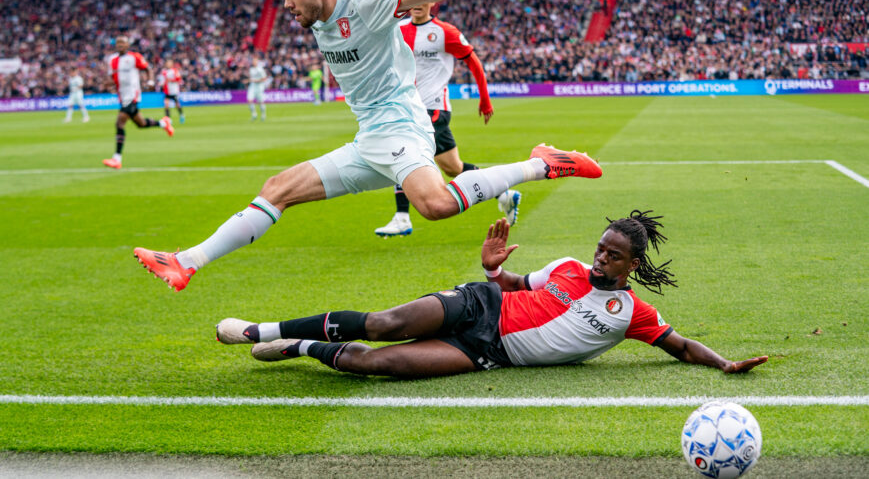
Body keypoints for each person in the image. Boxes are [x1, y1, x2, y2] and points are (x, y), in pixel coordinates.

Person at [133, 0, 602, 292]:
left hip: (401, 124)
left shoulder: (366, 2)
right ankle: (186, 262)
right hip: (369, 137)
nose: (287, 4)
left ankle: (544, 162)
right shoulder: (312, 0)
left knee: (435, 205)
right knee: (277, 189)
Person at [215, 212, 768, 378]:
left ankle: (301, 350)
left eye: (613, 255)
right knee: (382, 323)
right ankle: (261, 331)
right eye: (600, 248)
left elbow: (680, 345)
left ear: (633, 265)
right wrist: (492, 269)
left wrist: (724, 363)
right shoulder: (567, 267)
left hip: (487, 352)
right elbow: (510, 284)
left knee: (372, 364)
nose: (600, 258)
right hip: (482, 304)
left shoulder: (631, 313)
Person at [374, 0, 519, 238]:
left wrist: (485, 100)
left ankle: (402, 216)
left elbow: (473, 62)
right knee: (453, 167)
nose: (418, 4)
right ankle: (504, 192)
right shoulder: (398, 29)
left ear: (433, 0)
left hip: (433, 108)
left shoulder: (445, 32)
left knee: (402, 153)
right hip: (405, 106)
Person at [102, 36, 173, 170]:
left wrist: (151, 82)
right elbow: (115, 78)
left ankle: (117, 158)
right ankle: (164, 123)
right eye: (118, 43)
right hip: (122, 96)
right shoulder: (112, 60)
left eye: (122, 42)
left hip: (132, 95)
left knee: (120, 122)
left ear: (128, 45)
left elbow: (148, 69)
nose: (120, 45)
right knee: (141, 123)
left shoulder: (134, 57)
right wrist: (108, 84)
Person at [159, 58, 185, 124]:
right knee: (166, 104)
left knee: (177, 105)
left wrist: (171, 80)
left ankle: (181, 115)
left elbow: (178, 79)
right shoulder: (164, 71)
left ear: (172, 64)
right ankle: (168, 119)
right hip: (167, 91)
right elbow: (162, 80)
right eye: (167, 63)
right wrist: (161, 83)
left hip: (174, 91)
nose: (168, 64)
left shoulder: (175, 71)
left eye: (169, 63)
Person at [246, 53, 269, 121]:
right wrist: (249, 81)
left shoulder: (260, 69)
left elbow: (264, 78)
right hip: (252, 86)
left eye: (255, 61)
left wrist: (256, 80)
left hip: (259, 87)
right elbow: (251, 78)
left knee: (261, 102)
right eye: (253, 61)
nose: (253, 62)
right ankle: (254, 114)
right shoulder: (251, 69)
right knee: (250, 100)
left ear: (257, 62)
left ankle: (263, 114)